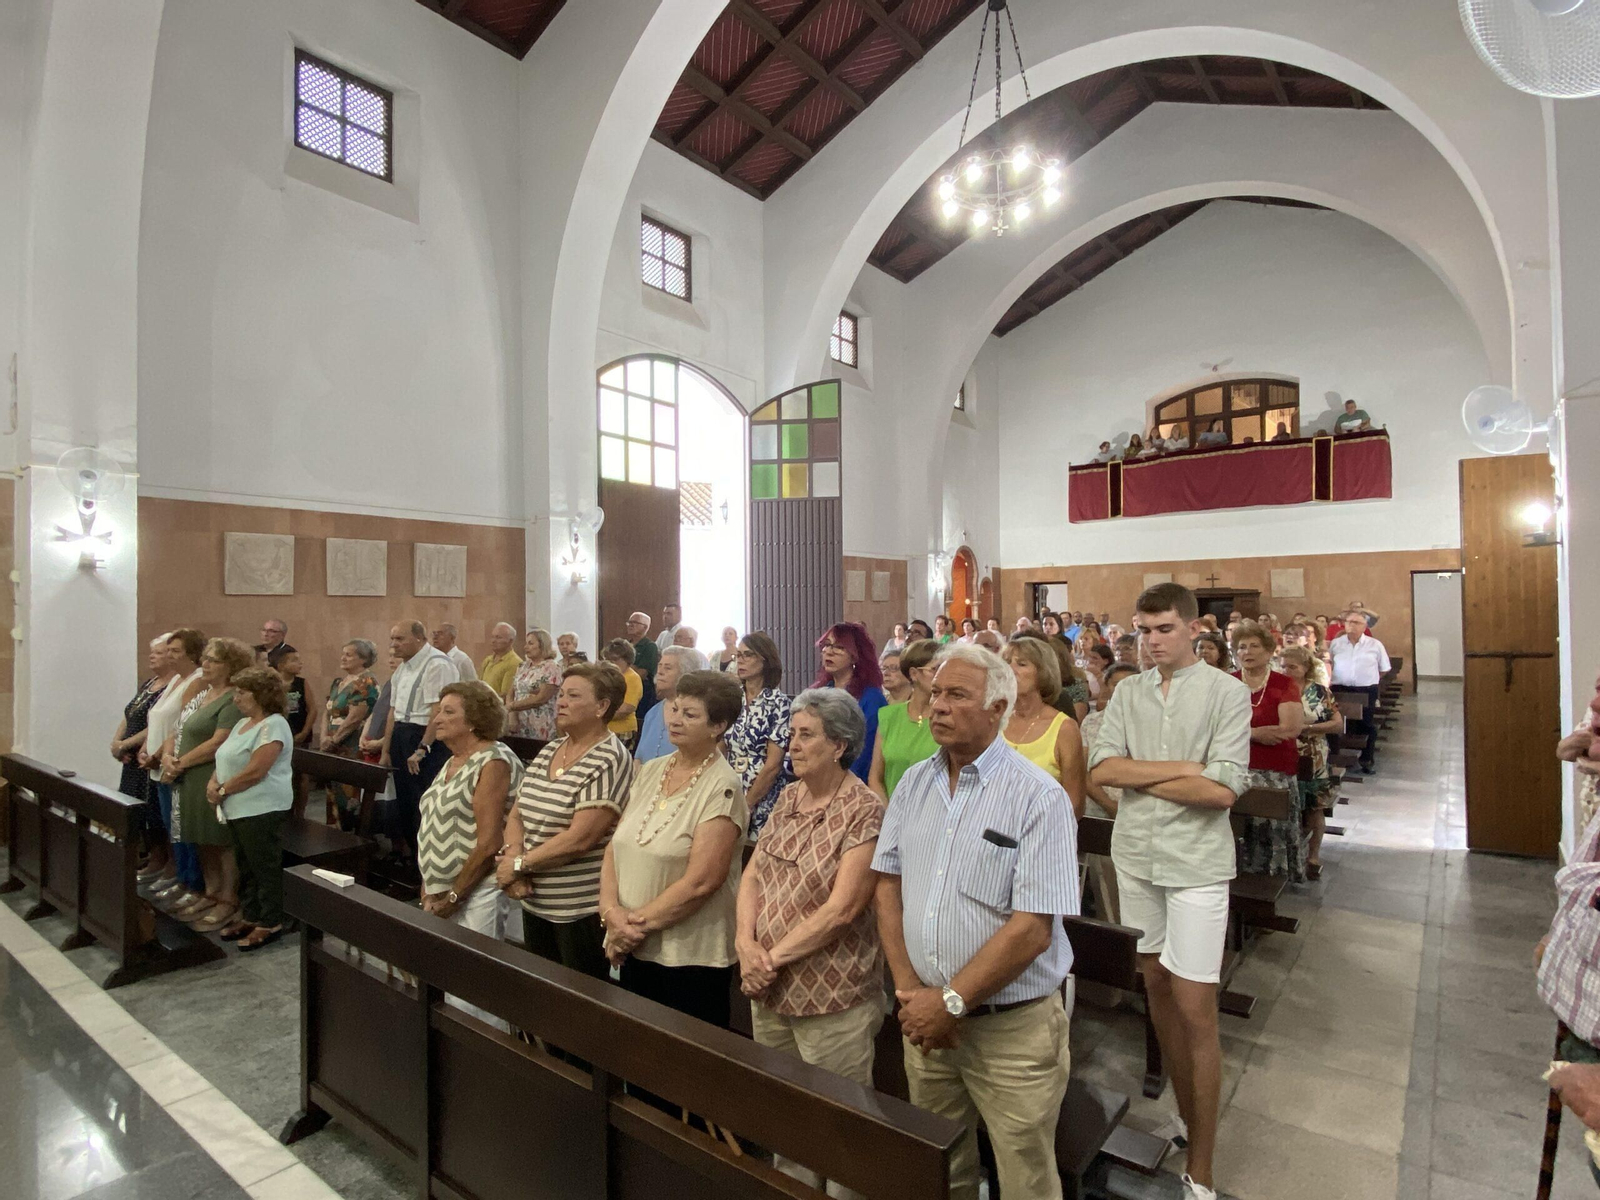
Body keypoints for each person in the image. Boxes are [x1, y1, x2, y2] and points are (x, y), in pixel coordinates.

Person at [873, 644, 1079, 1200]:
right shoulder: (914, 783)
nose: (937, 705)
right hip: (927, 1017)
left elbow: (1033, 927)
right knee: (943, 1166)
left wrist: (952, 1001)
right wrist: (910, 989)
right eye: (935, 692)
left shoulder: (1039, 796)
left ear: (998, 707)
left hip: (1011, 1028)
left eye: (956, 695)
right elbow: (888, 884)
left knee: (1024, 1176)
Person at [1088, 583, 1250, 1200]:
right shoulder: (1127, 690)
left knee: (1195, 1006)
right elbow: (1103, 769)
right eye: (1142, 631)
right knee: (1155, 983)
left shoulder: (1225, 693)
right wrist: (1185, 767)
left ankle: (1202, 1169)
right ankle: (1187, 1115)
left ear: (1191, 629)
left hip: (1198, 864)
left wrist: (1146, 778)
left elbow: (1224, 791)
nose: (1151, 642)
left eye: (1162, 630)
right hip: (1136, 858)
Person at [737, 689, 884, 1198]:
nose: (792, 745)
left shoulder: (863, 809)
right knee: (786, 1116)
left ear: (839, 745)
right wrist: (743, 943)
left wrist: (767, 958)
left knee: (840, 1126)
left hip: (831, 995)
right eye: (792, 733)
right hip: (770, 987)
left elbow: (842, 911)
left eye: (805, 735)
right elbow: (754, 872)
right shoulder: (789, 795)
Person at [600, 671, 747, 1028]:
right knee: (635, 1055)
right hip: (631, 942)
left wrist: (631, 928)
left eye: (690, 714)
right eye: (675, 709)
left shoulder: (722, 785)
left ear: (718, 726)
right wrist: (609, 912)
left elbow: (702, 882)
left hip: (688, 955)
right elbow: (615, 847)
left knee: (684, 1067)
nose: (675, 719)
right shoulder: (651, 770)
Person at [498, 662, 632, 981]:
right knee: (542, 995)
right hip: (533, 897)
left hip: (577, 910)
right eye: (560, 695)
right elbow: (518, 812)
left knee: (577, 1006)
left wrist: (518, 865)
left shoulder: (609, 758)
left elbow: (580, 838)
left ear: (601, 706)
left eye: (572, 695)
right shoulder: (552, 749)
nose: (560, 702)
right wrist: (515, 861)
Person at [417, 681, 525, 1023]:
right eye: (439, 710)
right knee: (449, 984)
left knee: (476, 993)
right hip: (444, 889)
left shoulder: (493, 760)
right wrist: (428, 889)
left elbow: (489, 841)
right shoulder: (453, 761)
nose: (438, 718)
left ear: (475, 720)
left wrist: (452, 896)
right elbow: (434, 827)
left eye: (449, 712)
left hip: (478, 889)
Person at [161, 636, 255, 933]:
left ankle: (229, 899)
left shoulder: (233, 698)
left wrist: (180, 762)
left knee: (220, 840)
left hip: (210, 775)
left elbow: (219, 741)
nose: (205, 664)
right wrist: (166, 757)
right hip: (188, 776)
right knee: (200, 838)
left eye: (213, 660)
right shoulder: (203, 693)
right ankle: (211, 893)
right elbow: (179, 728)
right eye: (205, 659)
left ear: (231, 666)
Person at [208, 667, 296, 951]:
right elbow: (224, 758)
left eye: (242, 692)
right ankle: (251, 914)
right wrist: (213, 782)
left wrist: (223, 790)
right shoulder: (242, 724)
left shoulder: (274, 724)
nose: (236, 698)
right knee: (245, 864)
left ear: (261, 695)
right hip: (237, 805)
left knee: (263, 866)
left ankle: (271, 921)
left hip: (262, 806)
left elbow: (256, 770)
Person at [1230, 621, 1307, 881]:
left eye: (1254, 646)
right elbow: (1213, 729)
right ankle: (1240, 875)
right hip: (1235, 765)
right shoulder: (1226, 684)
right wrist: (1254, 733)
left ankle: (1276, 875)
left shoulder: (1283, 683)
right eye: (1241, 647)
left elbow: (1290, 729)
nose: (1247, 652)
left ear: (1268, 651)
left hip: (1275, 767)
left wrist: (1239, 733)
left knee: (1273, 827)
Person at [387, 620, 458, 852]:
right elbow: (393, 711)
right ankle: (412, 857)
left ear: (419, 638)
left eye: (400, 639)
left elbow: (437, 709)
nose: (394, 645)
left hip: (424, 736)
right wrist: (387, 749)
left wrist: (423, 747)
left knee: (424, 800)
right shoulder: (402, 668)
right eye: (393, 639)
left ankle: (431, 856)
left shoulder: (437, 664)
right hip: (402, 732)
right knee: (405, 801)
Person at [142, 631, 204, 897]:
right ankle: (180, 876)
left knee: (182, 828)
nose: (169, 656)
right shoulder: (177, 678)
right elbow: (158, 716)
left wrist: (161, 755)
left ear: (192, 654)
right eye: (168, 650)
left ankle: (191, 881)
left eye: (175, 651)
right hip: (161, 761)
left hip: (177, 764)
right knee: (171, 827)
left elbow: (183, 723)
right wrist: (149, 749)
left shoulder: (197, 680)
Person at [1078, 663, 1139, 924]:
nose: (1123, 688)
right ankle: (1112, 936)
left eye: (1130, 682)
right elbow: (1084, 773)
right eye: (1116, 683)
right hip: (1101, 809)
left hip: (1138, 810)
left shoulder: (1153, 724)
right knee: (1106, 884)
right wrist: (1109, 806)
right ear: (1107, 687)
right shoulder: (1093, 722)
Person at [1001, 637, 1086, 817]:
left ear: (1043, 673)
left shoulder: (1064, 729)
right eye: (1007, 662)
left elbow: (1075, 804)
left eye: (1021, 664)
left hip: (1045, 833)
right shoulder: (993, 721)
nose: (1011, 670)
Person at [1281, 646, 1342, 881]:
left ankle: (1313, 856)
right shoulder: (1277, 690)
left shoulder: (1319, 692)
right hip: (1285, 752)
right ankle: (1289, 856)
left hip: (1314, 754)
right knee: (1288, 805)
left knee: (1314, 806)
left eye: (1292, 667)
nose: (1286, 671)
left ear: (1305, 668)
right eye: (1283, 666)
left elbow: (1337, 724)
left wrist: (1308, 729)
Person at [116, 637, 173, 877]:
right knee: (133, 810)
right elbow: (130, 713)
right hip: (132, 758)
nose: (152, 657)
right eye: (152, 652)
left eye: (158, 653)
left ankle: (159, 858)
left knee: (152, 811)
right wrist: (117, 742)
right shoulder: (149, 683)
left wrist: (127, 743)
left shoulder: (171, 687)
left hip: (148, 757)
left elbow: (156, 723)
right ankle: (145, 854)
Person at [726, 632, 792, 835]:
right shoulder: (732, 698)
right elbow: (719, 747)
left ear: (765, 660)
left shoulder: (779, 703)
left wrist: (748, 803)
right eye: (738, 655)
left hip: (764, 793)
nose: (741, 661)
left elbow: (773, 764)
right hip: (728, 787)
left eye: (748, 655)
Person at [868, 639, 940, 800]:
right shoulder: (889, 716)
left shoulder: (946, 716)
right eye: (935, 669)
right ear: (914, 674)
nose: (942, 676)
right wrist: (890, 817)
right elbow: (875, 778)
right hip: (892, 814)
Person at [815, 622, 886, 783]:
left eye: (839, 647)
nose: (829, 652)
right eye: (826, 645)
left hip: (853, 782)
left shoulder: (871, 698)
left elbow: (865, 753)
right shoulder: (819, 694)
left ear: (855, 655)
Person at [1327, 610, 1390, 773]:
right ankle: (1335, 758)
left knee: (1366, 725)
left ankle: (1366, 759)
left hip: (1366, 690)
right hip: (1340, 689)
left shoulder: (1375, 645)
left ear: (1364, 626)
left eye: (1356, 623)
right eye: (1349, 622)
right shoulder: (1336, 643)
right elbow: (1330, 664)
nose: (1351, 625)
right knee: (1337, 723)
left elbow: (1383, 669)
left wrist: (1368, 679)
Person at [637, 645, 705, 762]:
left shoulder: (697, 714)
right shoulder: (652, 713)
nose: (660, 672)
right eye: (659, 666)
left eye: (667, 668)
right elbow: (638, 758)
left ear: (685, 673)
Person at [505, 628, 561, 741]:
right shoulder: (523, 666)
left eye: (530, 643)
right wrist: (512, 715)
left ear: (543, 645)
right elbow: (511, 692)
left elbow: (542, 697)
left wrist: (512, 707)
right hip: (518, 722)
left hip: (540, 723)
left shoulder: (551, 667)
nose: (526, 647)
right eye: (526, 643)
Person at [601, 638, 644, 746]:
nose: (610, 663)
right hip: (604, 729)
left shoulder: (632, 678)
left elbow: (626, 709)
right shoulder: (607, 676)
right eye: (607, 659)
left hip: (622, 730)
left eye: (614, 659)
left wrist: (599, 715)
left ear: (627, 660)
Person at [624, 611, 660, 717]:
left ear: (645, 627)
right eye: (629, 622)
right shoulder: (624, 645)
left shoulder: (649, 646)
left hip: (642, 691)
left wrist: (624, 668)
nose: (630, 625)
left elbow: (642, 673)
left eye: (634, 622)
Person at [479, 622, 523, 698]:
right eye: (492, 637)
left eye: (498, 637)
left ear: (510, 641)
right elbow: (479, 686)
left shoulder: (515, 663)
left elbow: (505, 695)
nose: (493, 641)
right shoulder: (488, 660)